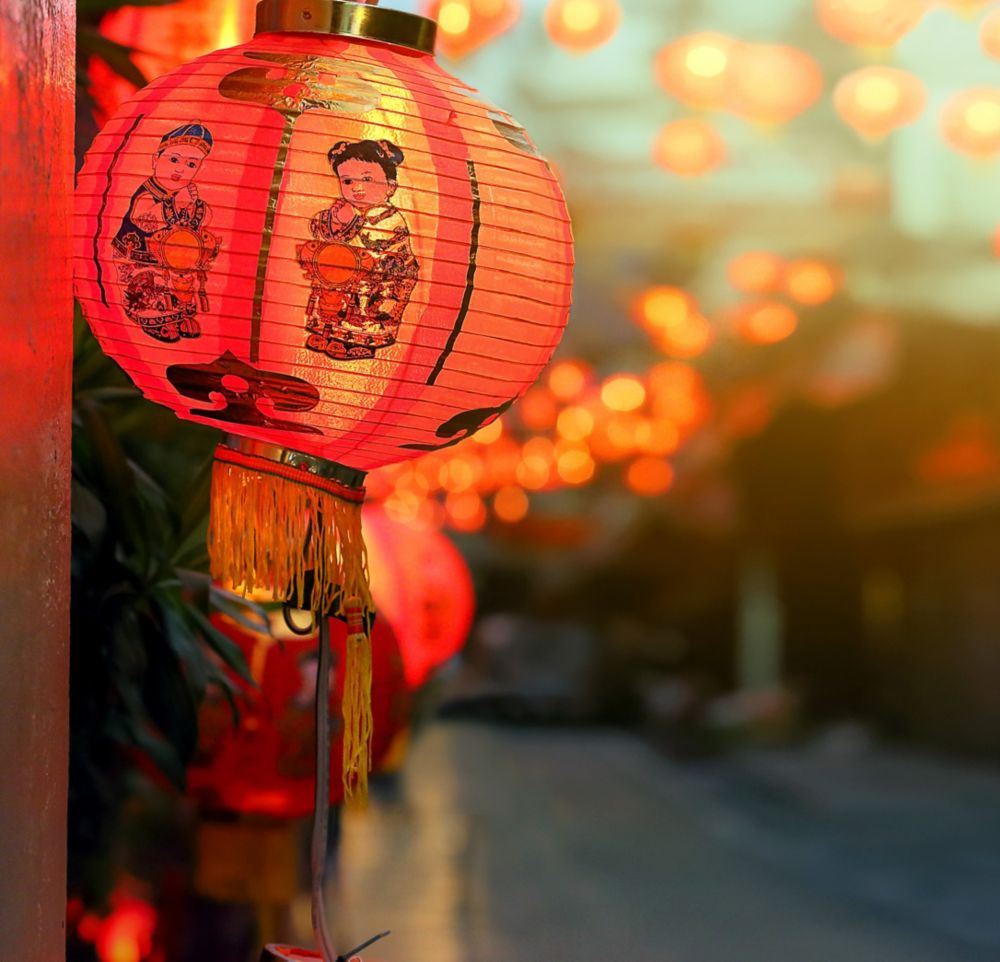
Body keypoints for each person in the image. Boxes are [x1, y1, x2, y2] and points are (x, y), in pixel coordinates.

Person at [298, 139, 419, 360]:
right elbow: (319, 230)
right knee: (330, 298)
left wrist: (348, 227)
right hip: (345, 273)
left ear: (391, 186)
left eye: (367, 179)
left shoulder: (389, 219)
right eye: (347, 181)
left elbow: (375, 249)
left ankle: (359, 344)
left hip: (379, 279)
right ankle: (327, 334)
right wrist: (334, 220)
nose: (357, 187)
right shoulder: (342, 209)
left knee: (364, 312)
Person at [113, 122, 219, 342]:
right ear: (155, 160)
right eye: (173, 160)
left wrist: (195, 206)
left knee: (182, 283)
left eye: (191, 164)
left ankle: (180, 317)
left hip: (172, 260)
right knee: (152, 289)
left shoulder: (185, 194)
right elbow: (144, 220)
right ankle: (156, 322)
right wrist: (175, 205)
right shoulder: (148, 192)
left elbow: (200, 219)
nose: (180, 169)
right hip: (140, 258)